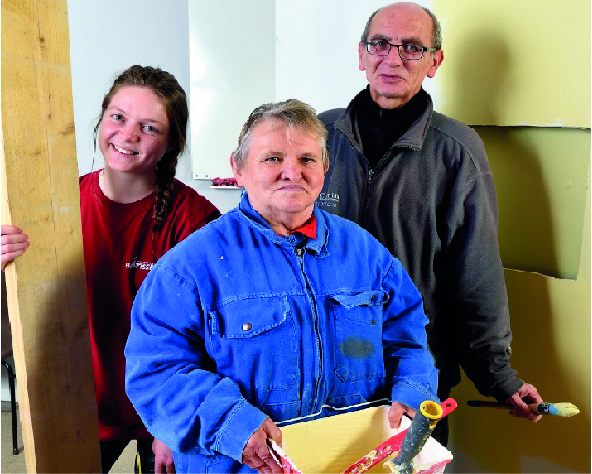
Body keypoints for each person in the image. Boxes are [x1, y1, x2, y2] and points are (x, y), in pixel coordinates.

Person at [124, 99, 439, 473]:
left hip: (356, 461)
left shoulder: (366, 253)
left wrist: (413, 390)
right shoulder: (189, 268)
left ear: (325, 167)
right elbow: (155, 372)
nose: (293, 172)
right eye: (273, 158)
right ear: (238, 168)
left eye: (307, 159)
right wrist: (231, 424)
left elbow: (408, 337)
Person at [316, 2, 543, 444]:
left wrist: (498, 377)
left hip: (412, 381)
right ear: (361, 54)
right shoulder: (317, 137)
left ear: (435, 61)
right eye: (380, 44)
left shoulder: (457, 150)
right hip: (319, 378)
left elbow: (476, 275)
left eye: (412, 47)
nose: (393, 58)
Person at [1, 65, 220, 473]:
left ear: (171, 143)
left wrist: (174, 422)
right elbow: (28, 306)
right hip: (78, 405)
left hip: (161, 410)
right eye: (118, 117)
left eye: (149, 127)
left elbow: (210, 333)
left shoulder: (195, 220)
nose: (129, 134)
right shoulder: (55, 206)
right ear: (102, 119)